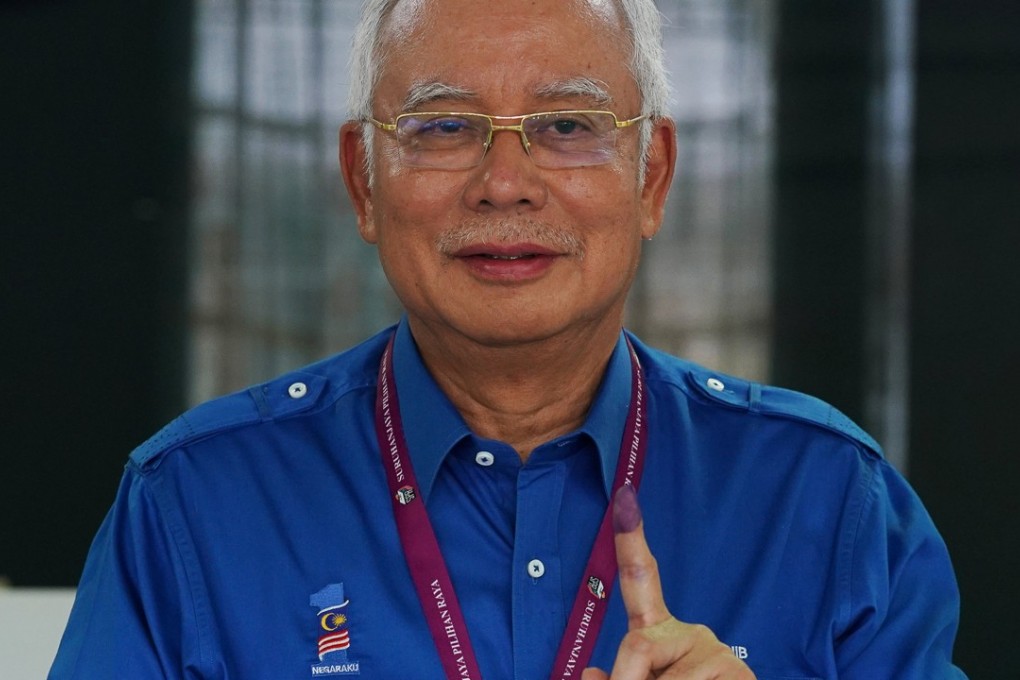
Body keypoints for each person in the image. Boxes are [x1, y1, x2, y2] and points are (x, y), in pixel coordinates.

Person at [51, 0, 966, 678]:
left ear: (652, 177)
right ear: (363, 182)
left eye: (567, 126)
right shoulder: (195, 505)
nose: (504, 182)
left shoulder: (827, 500)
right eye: (444, 126)